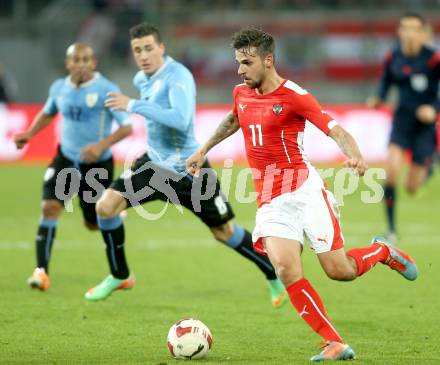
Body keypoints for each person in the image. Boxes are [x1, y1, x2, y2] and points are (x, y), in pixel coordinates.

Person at [187, 27, 419, 362]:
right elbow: (234, 119)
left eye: (247, 62)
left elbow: (334, 128)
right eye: (238, 62)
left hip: (305, 191)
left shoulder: (294, 95)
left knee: (339, 270)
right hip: (270, 200)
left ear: (268, 60)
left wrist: (353, 154)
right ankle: (334, 342)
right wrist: (203, 148)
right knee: (284, 268)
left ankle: (382, 251)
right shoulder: (241, 93)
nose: (240, 69)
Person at [84, 23, 286, 307]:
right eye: (137, 50)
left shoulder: (177, 76)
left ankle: (273, 274)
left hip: (188, 170)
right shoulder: (143, 79)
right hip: (153, 165)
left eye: (149, 48)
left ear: (161, 48)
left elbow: (179, 119)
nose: (143, 55)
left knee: (223, 232)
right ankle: (120, 275)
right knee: (105, 207)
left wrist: (133, 105)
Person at [14, 43, 132, 291]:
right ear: (68, 63)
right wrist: (29, 133)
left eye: (86, 59)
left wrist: (101, 146)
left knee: (93, 223)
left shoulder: (107, 90)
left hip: (96, 165)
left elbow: (126, 127)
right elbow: (48, 112)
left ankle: (115, 213)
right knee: (50, 208)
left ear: (93, 63)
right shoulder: (59, 88)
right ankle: (41, 272)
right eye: (76, 60)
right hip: (65, 160)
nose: (81, 64)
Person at [367, 13, 439, 242]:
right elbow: (385, 82)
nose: (408, 33)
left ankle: (428, 167)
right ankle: (391, 229)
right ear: (399, 32)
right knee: (391, 172)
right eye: (404, 28)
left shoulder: (433, 59)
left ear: (422, 33)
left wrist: (434, 109)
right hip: (402, 122)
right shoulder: (393, 57)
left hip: (425, 128)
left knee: (412, 187)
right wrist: (378, 97)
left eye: (414, 28)